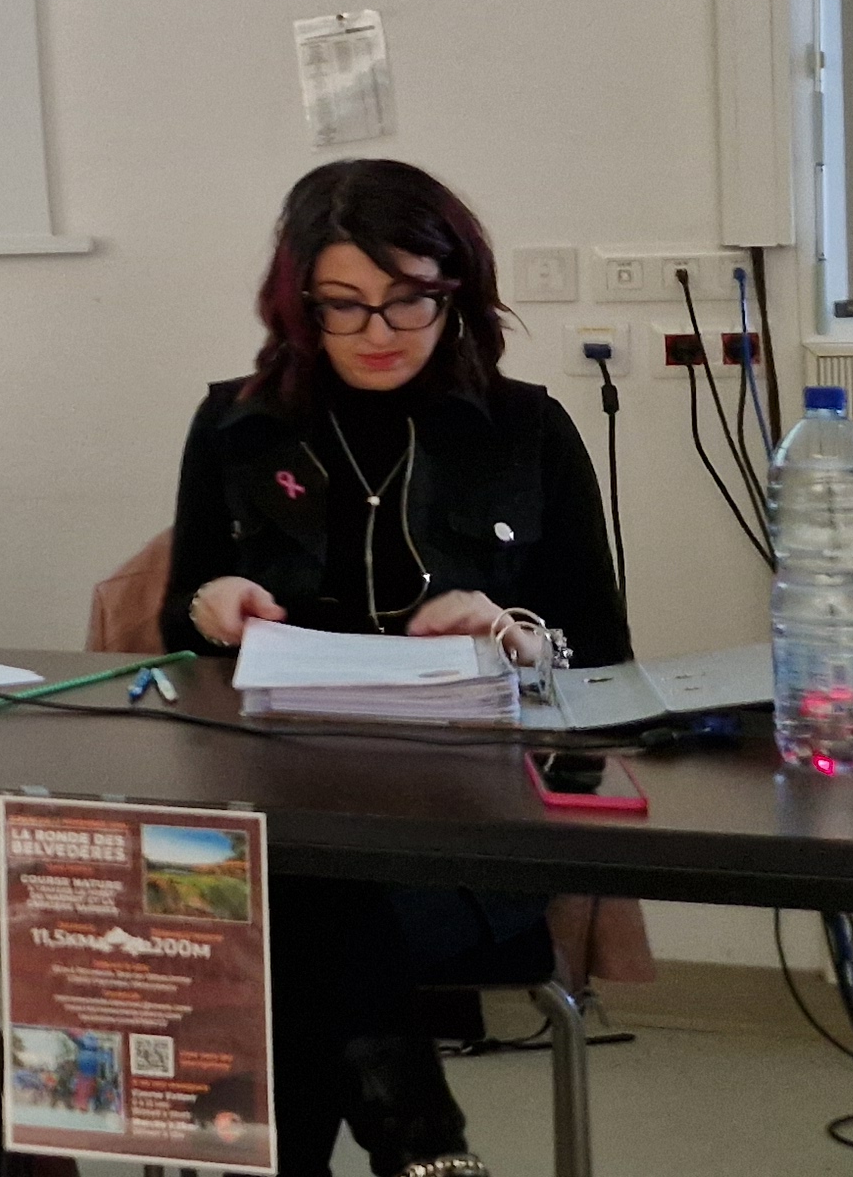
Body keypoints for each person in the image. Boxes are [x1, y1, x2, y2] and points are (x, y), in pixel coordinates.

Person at [163, 159, 627, 1177]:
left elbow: (603, 660)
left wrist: (514, 632)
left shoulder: (525, 432)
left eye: (409, 298)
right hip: (278, 795)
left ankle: (382, 1152)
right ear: (298, 305)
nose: (378, 331)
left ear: (456, 292)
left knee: (296, 906)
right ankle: (424, 1153)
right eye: (343, 305)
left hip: (470, 822)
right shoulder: (238, 428)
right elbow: (179, 637)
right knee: (301, 884)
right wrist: (210, 607)